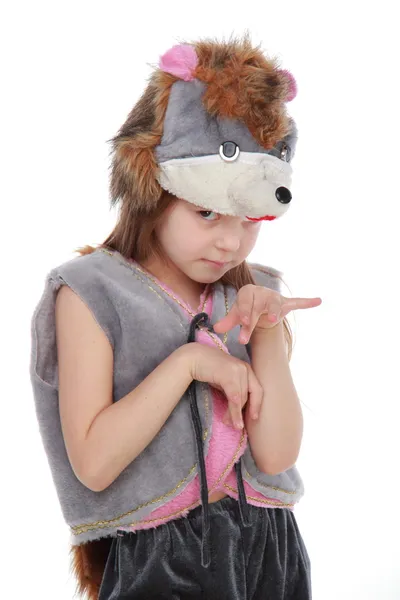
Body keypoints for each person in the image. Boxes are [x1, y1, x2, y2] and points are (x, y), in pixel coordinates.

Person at [29, 34, 321, 599]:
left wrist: (266, 338)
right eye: (206, 211)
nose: (230, 241)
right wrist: (188, 363)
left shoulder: (255, 293)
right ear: (154, 187)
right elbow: (93, 462)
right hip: (159, 558)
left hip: (270, 552)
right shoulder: (90, 291)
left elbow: (277, 455)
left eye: (248, 217)